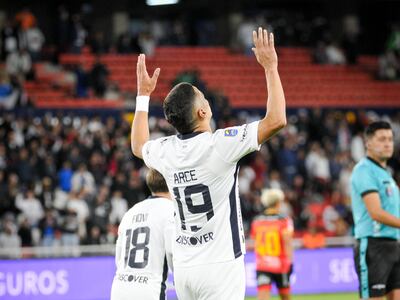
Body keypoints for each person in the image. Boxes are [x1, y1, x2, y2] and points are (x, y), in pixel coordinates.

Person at [131, 27, 286, 300]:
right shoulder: (220, 145)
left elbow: (137, 145)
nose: (207, 97)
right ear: (202, 111)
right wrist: (270, 68)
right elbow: (276, 121)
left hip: (185, 268)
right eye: (203, 95)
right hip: (221, 264)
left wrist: (143, 95)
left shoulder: (166, 151)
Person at [351, 121, 400, 300]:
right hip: (373, 245)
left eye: (390, 139)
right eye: (382, 139)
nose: (388, 143)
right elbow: (376, 213)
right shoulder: (364, 170)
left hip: (393, 244)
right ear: (368, 143)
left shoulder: (386, 173)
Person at [110, 169, 175, 300]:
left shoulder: (131, 211)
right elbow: (173, 252)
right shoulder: (171, 210)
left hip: (120, 286)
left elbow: (119, 256)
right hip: (149, 289)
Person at [250, 189, 294, 300]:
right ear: (278, 203)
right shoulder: (284, 220)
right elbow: (287, 242)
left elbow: (255, 240)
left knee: (263, 297)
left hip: (263, 264)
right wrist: (290, 262)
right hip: (281, 264)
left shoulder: (257, 221)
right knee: (285, 297)